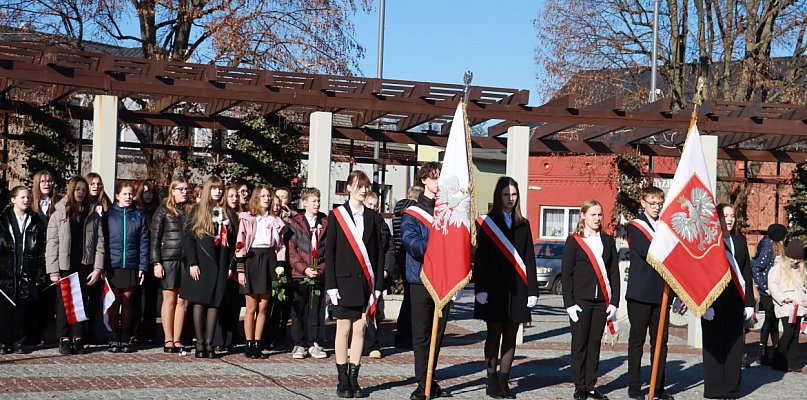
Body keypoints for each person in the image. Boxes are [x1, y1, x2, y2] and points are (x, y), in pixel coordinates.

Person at [474, 176, 539, 399]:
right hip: (493, 289)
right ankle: (491, 379)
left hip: (518, 289)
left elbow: (529, 258)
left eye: (514, 194)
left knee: (511, 336)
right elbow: (481, 258)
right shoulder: (488, 223)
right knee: (494, 335)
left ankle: (504, 379)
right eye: (506, 194)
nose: (510, 198)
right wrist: (480, 288)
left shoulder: (524, 223)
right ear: (498, 196)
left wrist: (533, 290)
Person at [325, 170, 384, 398]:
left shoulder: (373, 217)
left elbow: (378, 255)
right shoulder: (337, 215)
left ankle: (353, 378)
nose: (363, 190)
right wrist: (331, 285)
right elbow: (329, 253)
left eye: (366, 186)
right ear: (348, 187)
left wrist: (377, 287)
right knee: (343, 329)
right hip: (343, 282)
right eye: (359, 186)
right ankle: (342, 379)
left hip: (365, 283)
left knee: (360, 329)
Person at [401, 162, 453, 400]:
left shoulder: (449, 210)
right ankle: (423, 383)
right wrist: (434, 243)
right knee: (421, 334)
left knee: (438, 334)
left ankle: (429, 379)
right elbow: (409, 241)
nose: (438, 182)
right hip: (421, 279)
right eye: (433, 178)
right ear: (423, 180)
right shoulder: (412, 212)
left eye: (441, 178)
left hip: (445, 278)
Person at [562, 199, 619, 400]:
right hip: (581, 301)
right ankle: (579, 387)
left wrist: (614, 302)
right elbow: (566, 274)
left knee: (594, 344)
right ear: (583, 215)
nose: (597, 218)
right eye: (593, 214)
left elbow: (613, 273)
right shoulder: (574, 241)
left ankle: (591, 386)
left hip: (601, 301)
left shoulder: (608, 240)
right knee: (579, 344)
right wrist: (569, 304)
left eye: (599, 214)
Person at [625, 186, 674, 400]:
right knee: (637, 341)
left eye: (659, 204)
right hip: (640, 293)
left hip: (662, 293)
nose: (656, 207)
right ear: (643, 203)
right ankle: (634, 385)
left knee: (660, 343)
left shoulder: (665, 227)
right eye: (652, 204)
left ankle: (658, 386)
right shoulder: (635, 226)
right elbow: (650, 253)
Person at [701, 203, 754, 399]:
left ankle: (732, 389)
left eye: (732, 216)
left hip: (735, 300)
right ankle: (714, 388)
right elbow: (701, 274)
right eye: (725, 216)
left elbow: (746, 272)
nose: (730, 219)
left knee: (734, 345)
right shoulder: (708, 242)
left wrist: (749, 303)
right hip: (713, 302)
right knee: (714, 345)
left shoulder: (739, 241)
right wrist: (704, 304)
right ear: (717, 218)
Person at [46, 176, 104, 355]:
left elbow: (100, 242)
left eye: (84, 190)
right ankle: (64, 337)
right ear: (71, 190)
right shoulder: (59, 213)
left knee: (81, 302)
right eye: (78, 189)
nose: (81, 193)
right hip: (65, 264)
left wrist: (98, 268)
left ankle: (78, 336)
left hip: (84, 263)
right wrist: (53, 270)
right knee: (64, 302)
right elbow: (52, 243)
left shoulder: (93, 214)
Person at [182, 176, 236, 358]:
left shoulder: (227, 212)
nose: (218, 192)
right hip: (202, 262)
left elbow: (233, 241)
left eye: (220, 189)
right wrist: (192, 262)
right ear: (208, 190)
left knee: (215, 302)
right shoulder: (197, 210)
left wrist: (230, 265)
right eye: (214, 188)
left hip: (221, 262)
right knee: (199, 302)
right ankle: (199, 343)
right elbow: (189, 237)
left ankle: (209, 343)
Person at [234, 185, 284, 359]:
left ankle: (257, 343)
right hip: (252, 259)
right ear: (256, 198)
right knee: (251, 306)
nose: (267, 199)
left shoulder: (275, 220)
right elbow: (240, 243)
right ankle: (248, 344)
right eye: (263, 196)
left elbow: (281, 246)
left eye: (268, 196)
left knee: (263, 306)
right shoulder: (247, 218)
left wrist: (280, 268)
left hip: (269, 259)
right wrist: (241, 269)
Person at [0, 186, 47, 354]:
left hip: (26, 269)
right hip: (6, 270)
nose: (26, 200)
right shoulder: (3, 220)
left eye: (28, 197)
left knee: (22, 308)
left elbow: (41, 249)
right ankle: (4, 341)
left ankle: (19, 341)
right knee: (5, 307)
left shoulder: (35, 221)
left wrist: (40, 272)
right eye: (22, 197)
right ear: (13, 199)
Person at [104, 182, 149, 353]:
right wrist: (102, 266)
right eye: (124, 194)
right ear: (117, 196)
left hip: (131, 264)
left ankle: (125, 335)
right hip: (113, 265)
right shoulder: (109, 216)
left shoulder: (138, 216)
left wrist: (142, 267)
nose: (128, 197)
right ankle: (113, 335)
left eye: (130, 194)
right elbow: (103, 242)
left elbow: (144, 243)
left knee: (128, 301)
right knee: (115, 301)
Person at [288, 187, 328, 359]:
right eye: (313, 201)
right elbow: (292, 250)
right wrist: (304, 268)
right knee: (299, 309)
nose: (317, 204)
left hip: (318, 274)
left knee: (315, 309)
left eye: (318, 201)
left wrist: (320, 269)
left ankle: (313, 343)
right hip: (300, 274)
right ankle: (299, 344)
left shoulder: (325, 223)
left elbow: (329, 250)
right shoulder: (295, 223)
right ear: (304, 202)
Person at [151, 177, 190, 354]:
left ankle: (177, 338)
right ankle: (168, 338)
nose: (184, 192)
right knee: (169, 299)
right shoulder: (162, 211)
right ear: (172, 191)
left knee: (182, 300)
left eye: (186, 189)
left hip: (186, 260)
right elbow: (155, 240)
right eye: (181, 189)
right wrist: (156, 262)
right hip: (168, 259)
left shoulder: (191, 210)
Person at [361, 191, 396, 360]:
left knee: (374, 309)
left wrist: (387, 269)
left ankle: (372, 344)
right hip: (360, 273)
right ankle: (355, 343)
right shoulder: (357, 222)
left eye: (376, 205)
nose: (373, 208)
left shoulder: (382, 225)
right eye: (370, 204)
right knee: (358, 310)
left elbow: (390, 247)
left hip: (377, 273)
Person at [28, 170, 58, 346]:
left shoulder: (57, 205)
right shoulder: (31, 205)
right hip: (35, 257)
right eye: (43, 181)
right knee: (34, 296)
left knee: (48, 298)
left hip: (52, 258)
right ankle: (30, 333)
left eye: (49, 181)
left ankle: (41, 333)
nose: (47, 184)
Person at [768, 239, 807, 372]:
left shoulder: (802, 270)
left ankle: (792, 362)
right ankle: (778, 359)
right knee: (788, 332)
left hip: (799, 306)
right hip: (786, 306)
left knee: (795, 334)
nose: (795, 261)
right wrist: (784, 299)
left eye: (798, 259)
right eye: (793, 258)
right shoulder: (778, 268)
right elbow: (773, 285)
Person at [751, 223, 786, 365]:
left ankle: (773, 351)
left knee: (773, 319)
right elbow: (757, 267)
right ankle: (763, 352)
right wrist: (764, 287)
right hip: (767, 290)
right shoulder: (768, 247)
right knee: (770, 319)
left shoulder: (773, 245)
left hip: (774, 288)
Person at [392, 185, 423, 349]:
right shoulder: (413, 212)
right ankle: (405, 335)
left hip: (399, 255)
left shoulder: (398, 210)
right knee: (411, 299)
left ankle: (402, 334)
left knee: (408, 298)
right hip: (409, 256)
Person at [214, 184, 243, 352]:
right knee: (221, 303)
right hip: (221, 263)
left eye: (236, 196)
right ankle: (219, 339)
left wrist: (234, 266)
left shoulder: (241, 215)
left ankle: (230, 339)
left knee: (233, 304)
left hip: (235, 264)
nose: (234, 199)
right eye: (231, 195)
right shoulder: (220, 213)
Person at [133, 180, 160, 344]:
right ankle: (135, 330)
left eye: (150, 192)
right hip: (138, 258)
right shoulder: (136, 211)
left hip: (153, 259)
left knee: (151, 297)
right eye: (144, 192)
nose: (147, 195)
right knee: (136, 297)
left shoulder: (158, 211)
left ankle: (149, 330)